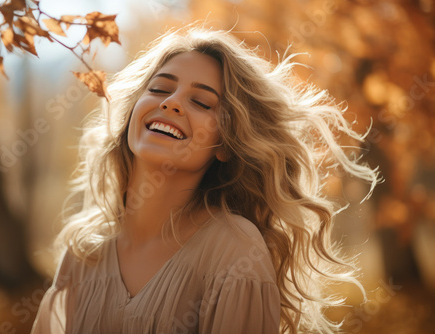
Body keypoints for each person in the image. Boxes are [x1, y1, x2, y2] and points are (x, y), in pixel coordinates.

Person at [31, 26, 378, 334]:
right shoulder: (85, 251)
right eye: (159, 89)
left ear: (225, 146)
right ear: (131, 115)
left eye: (201, 102)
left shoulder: (234, 251)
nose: (172, 103)